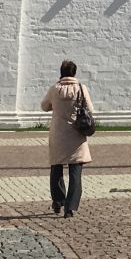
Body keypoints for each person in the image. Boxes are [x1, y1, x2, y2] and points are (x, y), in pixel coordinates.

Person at [40, 60, 93, 218]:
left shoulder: (54, 89)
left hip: (58, 134)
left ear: (61, 72)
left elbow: (44, 106)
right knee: (75, 171)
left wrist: (54, 106)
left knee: (56, 168)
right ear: (74, 73)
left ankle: (58, 201)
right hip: (76, 135)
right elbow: (90, 109)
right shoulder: (81, 89)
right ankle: (70, 208)